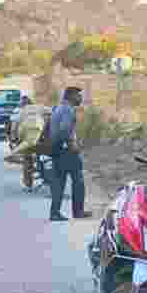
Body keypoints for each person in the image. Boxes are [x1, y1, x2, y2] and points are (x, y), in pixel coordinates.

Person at [49, 87, 94, 222]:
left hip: (57, 149)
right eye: (78, 96)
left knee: (59, 182)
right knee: (78, 181)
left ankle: (55, 212)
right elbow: (64, 129)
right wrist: (71, 144)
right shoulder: (68, 110)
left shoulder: (58, 108)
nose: (80, 98)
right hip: (67, 151)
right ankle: (78, 211)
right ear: (71, 96)